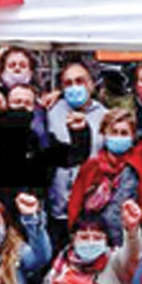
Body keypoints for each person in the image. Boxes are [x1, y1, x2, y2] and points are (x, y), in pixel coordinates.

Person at [67, 106, 142, 247]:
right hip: (97, 238)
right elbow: (75, 202)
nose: (118, 137)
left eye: (124, 133)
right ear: (104, 134)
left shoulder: (139, 160)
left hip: (132, 237)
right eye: (114, 132)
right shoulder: (91, 166)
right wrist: (73, 231)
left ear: (133, 136)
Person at [47, 60, 107, 248]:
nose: (74, 87)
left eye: (80, 81)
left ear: (91, 84)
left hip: (91, 209)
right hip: (57, 207)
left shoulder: (105, 116)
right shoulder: (50, 111)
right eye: (68, 83)